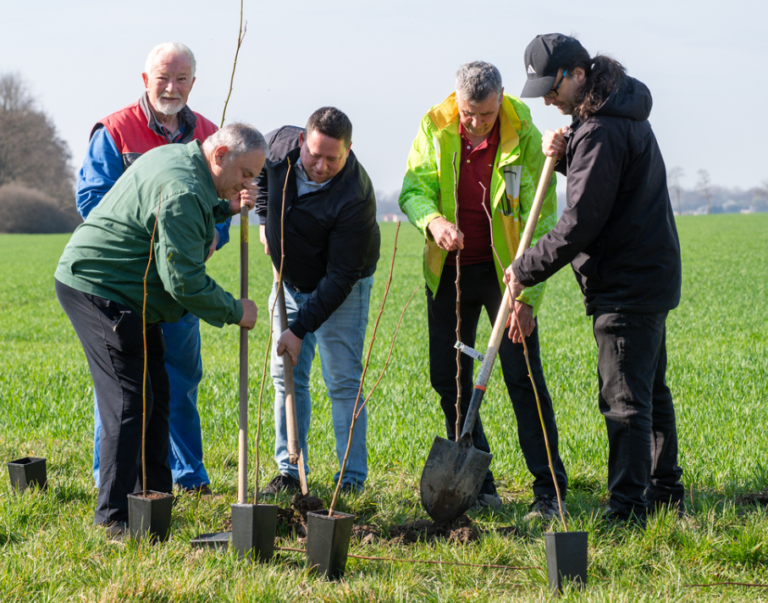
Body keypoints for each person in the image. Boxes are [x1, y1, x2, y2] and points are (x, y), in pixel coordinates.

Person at [508, 34, 684, 525]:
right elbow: (606, 184)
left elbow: (582, 220)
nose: (545, 98)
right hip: (647, 273)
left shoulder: (603, 127)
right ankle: (666, 491)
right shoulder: (610, 116)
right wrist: (567, 156)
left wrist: (524, 268)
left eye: (550, 86)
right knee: (649, 388)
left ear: (577, 74)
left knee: (624, 398)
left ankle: (628, 510)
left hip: (627, 282)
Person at [56, 122, 266, 534]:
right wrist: (235, 310)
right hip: (99, 288)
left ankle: (153, 499)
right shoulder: (184, 188)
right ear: (219, 155)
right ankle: (113, 520)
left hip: (135, 294)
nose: (249, 183)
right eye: (245, 173)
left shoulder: (184, 161)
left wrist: (227, 208)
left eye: (254, 177)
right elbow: (184, 281)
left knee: (157, 395)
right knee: (128, 400)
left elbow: (186, 213)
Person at [399, 62, 568, 518]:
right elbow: (414, 189)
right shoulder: (434, 126)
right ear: (457, 99)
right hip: (450, 271)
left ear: (502, 100)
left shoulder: (525, 135)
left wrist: (526, 297)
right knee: (448, 377)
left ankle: (549, 491)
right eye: (468, 114)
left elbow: (544, 219)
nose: (475, 124)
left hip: (507, 274)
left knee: (523, 377)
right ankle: (481, 483)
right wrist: (433, 222)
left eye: (486, 115)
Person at [76, 42, 225, 494]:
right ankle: (113, 476)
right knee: (121, 385)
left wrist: (210, 238)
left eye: (181, 79)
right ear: (145, 80)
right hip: (127, 284)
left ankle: (186, 475)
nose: (171, 87)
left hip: (179, 284)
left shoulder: (209, 134)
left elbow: (225, 205)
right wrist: (156, 241)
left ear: (193, 84)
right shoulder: (115, 131)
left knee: (180, 377)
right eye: (163, 78)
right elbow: (91, 203)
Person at [254, 107, 380, 494]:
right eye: (314, 154)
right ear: (300, 142)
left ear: (349, 150)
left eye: (333, 158)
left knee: (342, 381)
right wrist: (263, 219)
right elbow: (259, 175)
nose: (321, 165)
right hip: (289, 278)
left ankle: (350, 480)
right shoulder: (276, 147)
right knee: (286, 377)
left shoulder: (355, 195)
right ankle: (290, 472)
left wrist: (299, 328)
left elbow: (340, 276)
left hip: (341, 286)